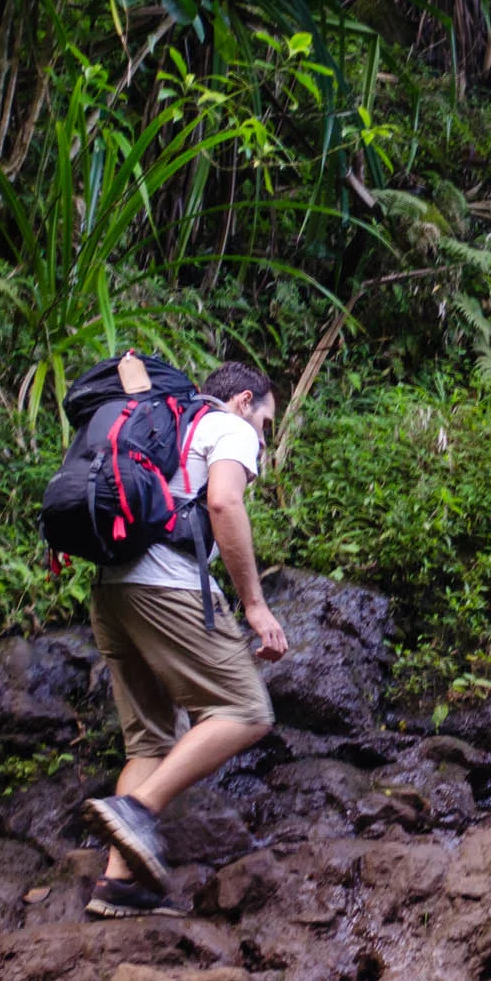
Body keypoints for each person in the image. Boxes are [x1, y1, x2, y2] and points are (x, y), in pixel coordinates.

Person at [77, 361, 291, 917]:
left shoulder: (166, 424)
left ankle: (119, 885)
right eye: (266, 423)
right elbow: (223, 502)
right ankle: (139, 811)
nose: (263, 438)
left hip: (111, 591)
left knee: (149, 741)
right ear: (244, 401)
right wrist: (254, 604)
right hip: (167, 588)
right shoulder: (230, 429)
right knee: (245, 710)